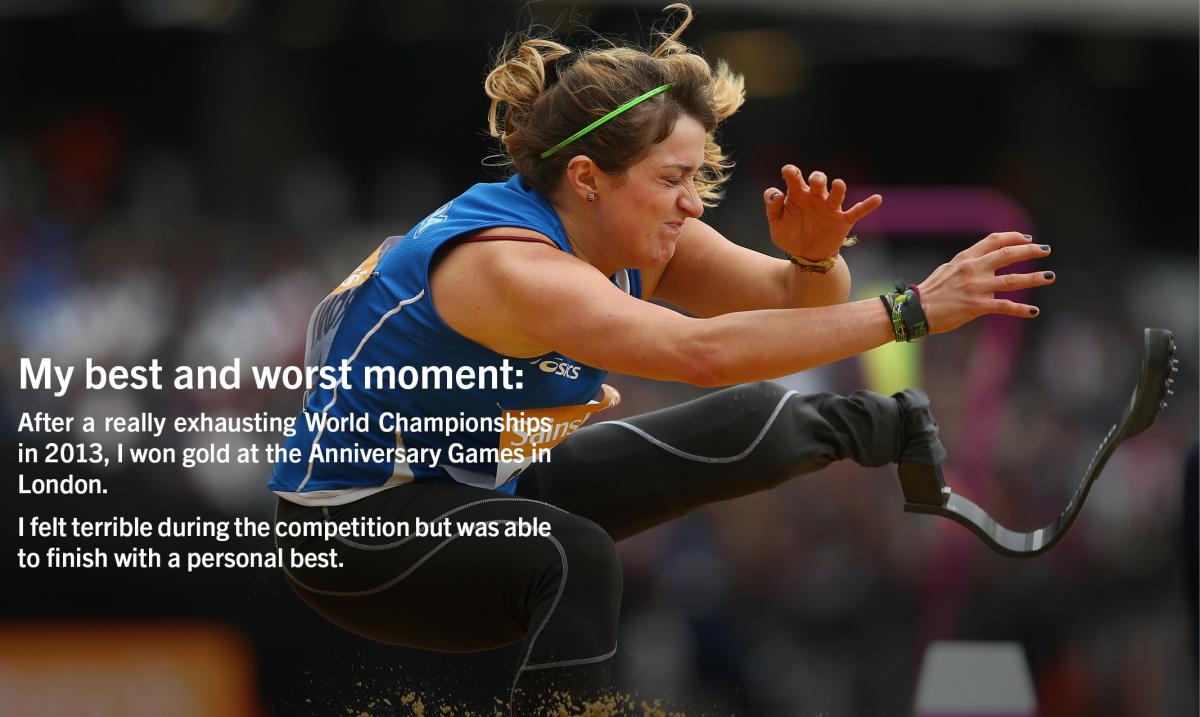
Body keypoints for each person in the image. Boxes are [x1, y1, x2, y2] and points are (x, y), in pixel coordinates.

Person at [269, 4, 1054, 713]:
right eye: (674, 178)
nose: (692, 201)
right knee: (572, 555)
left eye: (699, 178)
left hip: (471, 479)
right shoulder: (512, 265)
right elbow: (702, 352)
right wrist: (911, 310)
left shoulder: (629, 232)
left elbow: (795, 304)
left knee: (754, 419)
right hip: (352, 532)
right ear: (587, 180)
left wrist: (816, 259)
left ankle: (873, 428)